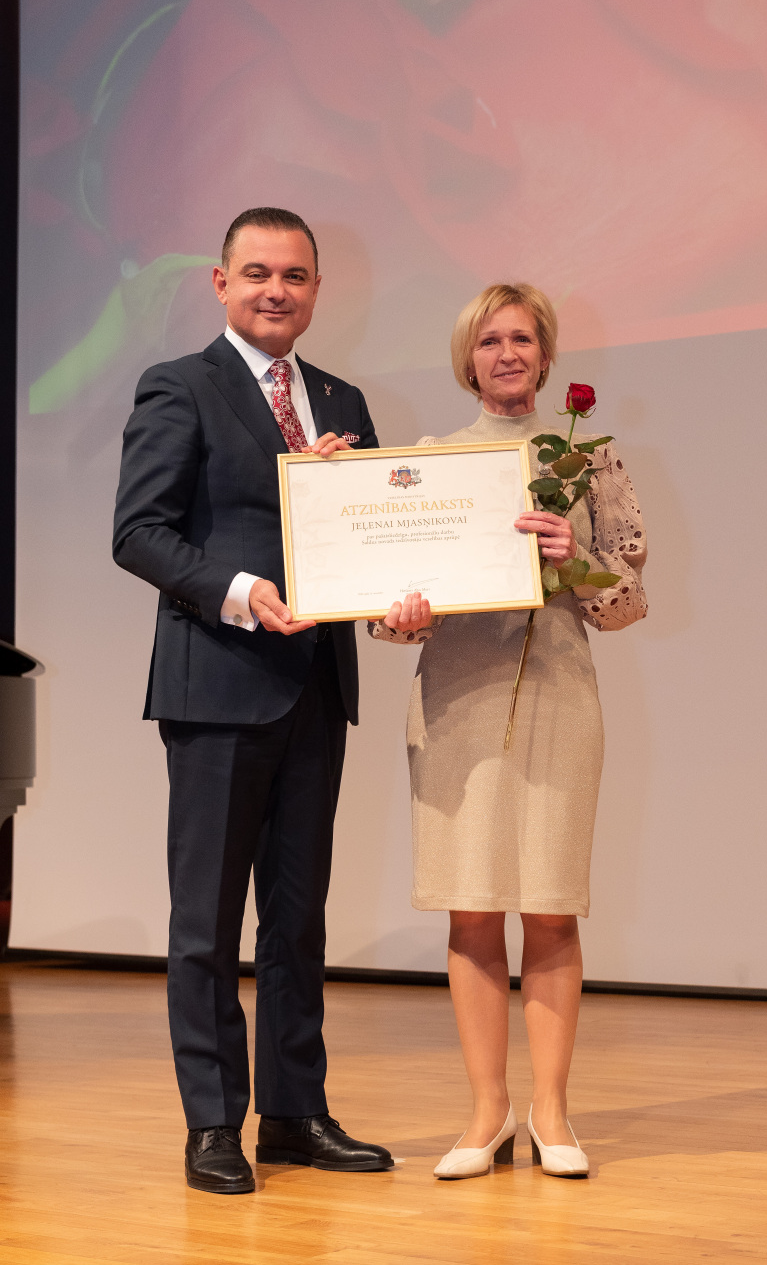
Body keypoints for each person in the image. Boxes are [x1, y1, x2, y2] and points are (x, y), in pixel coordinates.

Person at [113, 207, 393, 1194]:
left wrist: (396, 602)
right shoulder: (179, 385)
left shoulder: (342, 399)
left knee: (298, 918)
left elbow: (368, 538)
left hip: (315, 686)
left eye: (296, 276)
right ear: (221, 283)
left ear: (316, 289)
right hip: (217, 683)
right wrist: (238, 591)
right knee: (206, 922)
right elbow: (139, 532)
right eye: (259, 273)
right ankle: (211, 1124)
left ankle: (294, 1113)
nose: (278, 290)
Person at [370, 282, 647, 1178]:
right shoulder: (429, 462)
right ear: (468, 358)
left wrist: (577, 558)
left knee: (552, 905)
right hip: (458, 698)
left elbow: (627, 603)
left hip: (560, 695)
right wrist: (401, 614)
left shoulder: (588, 460)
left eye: (522, 338)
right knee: (473, 905)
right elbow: (385, 617)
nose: (506, 354)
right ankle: (486, 1113)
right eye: (489, 340)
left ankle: (551, 1113)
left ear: (546, 354)